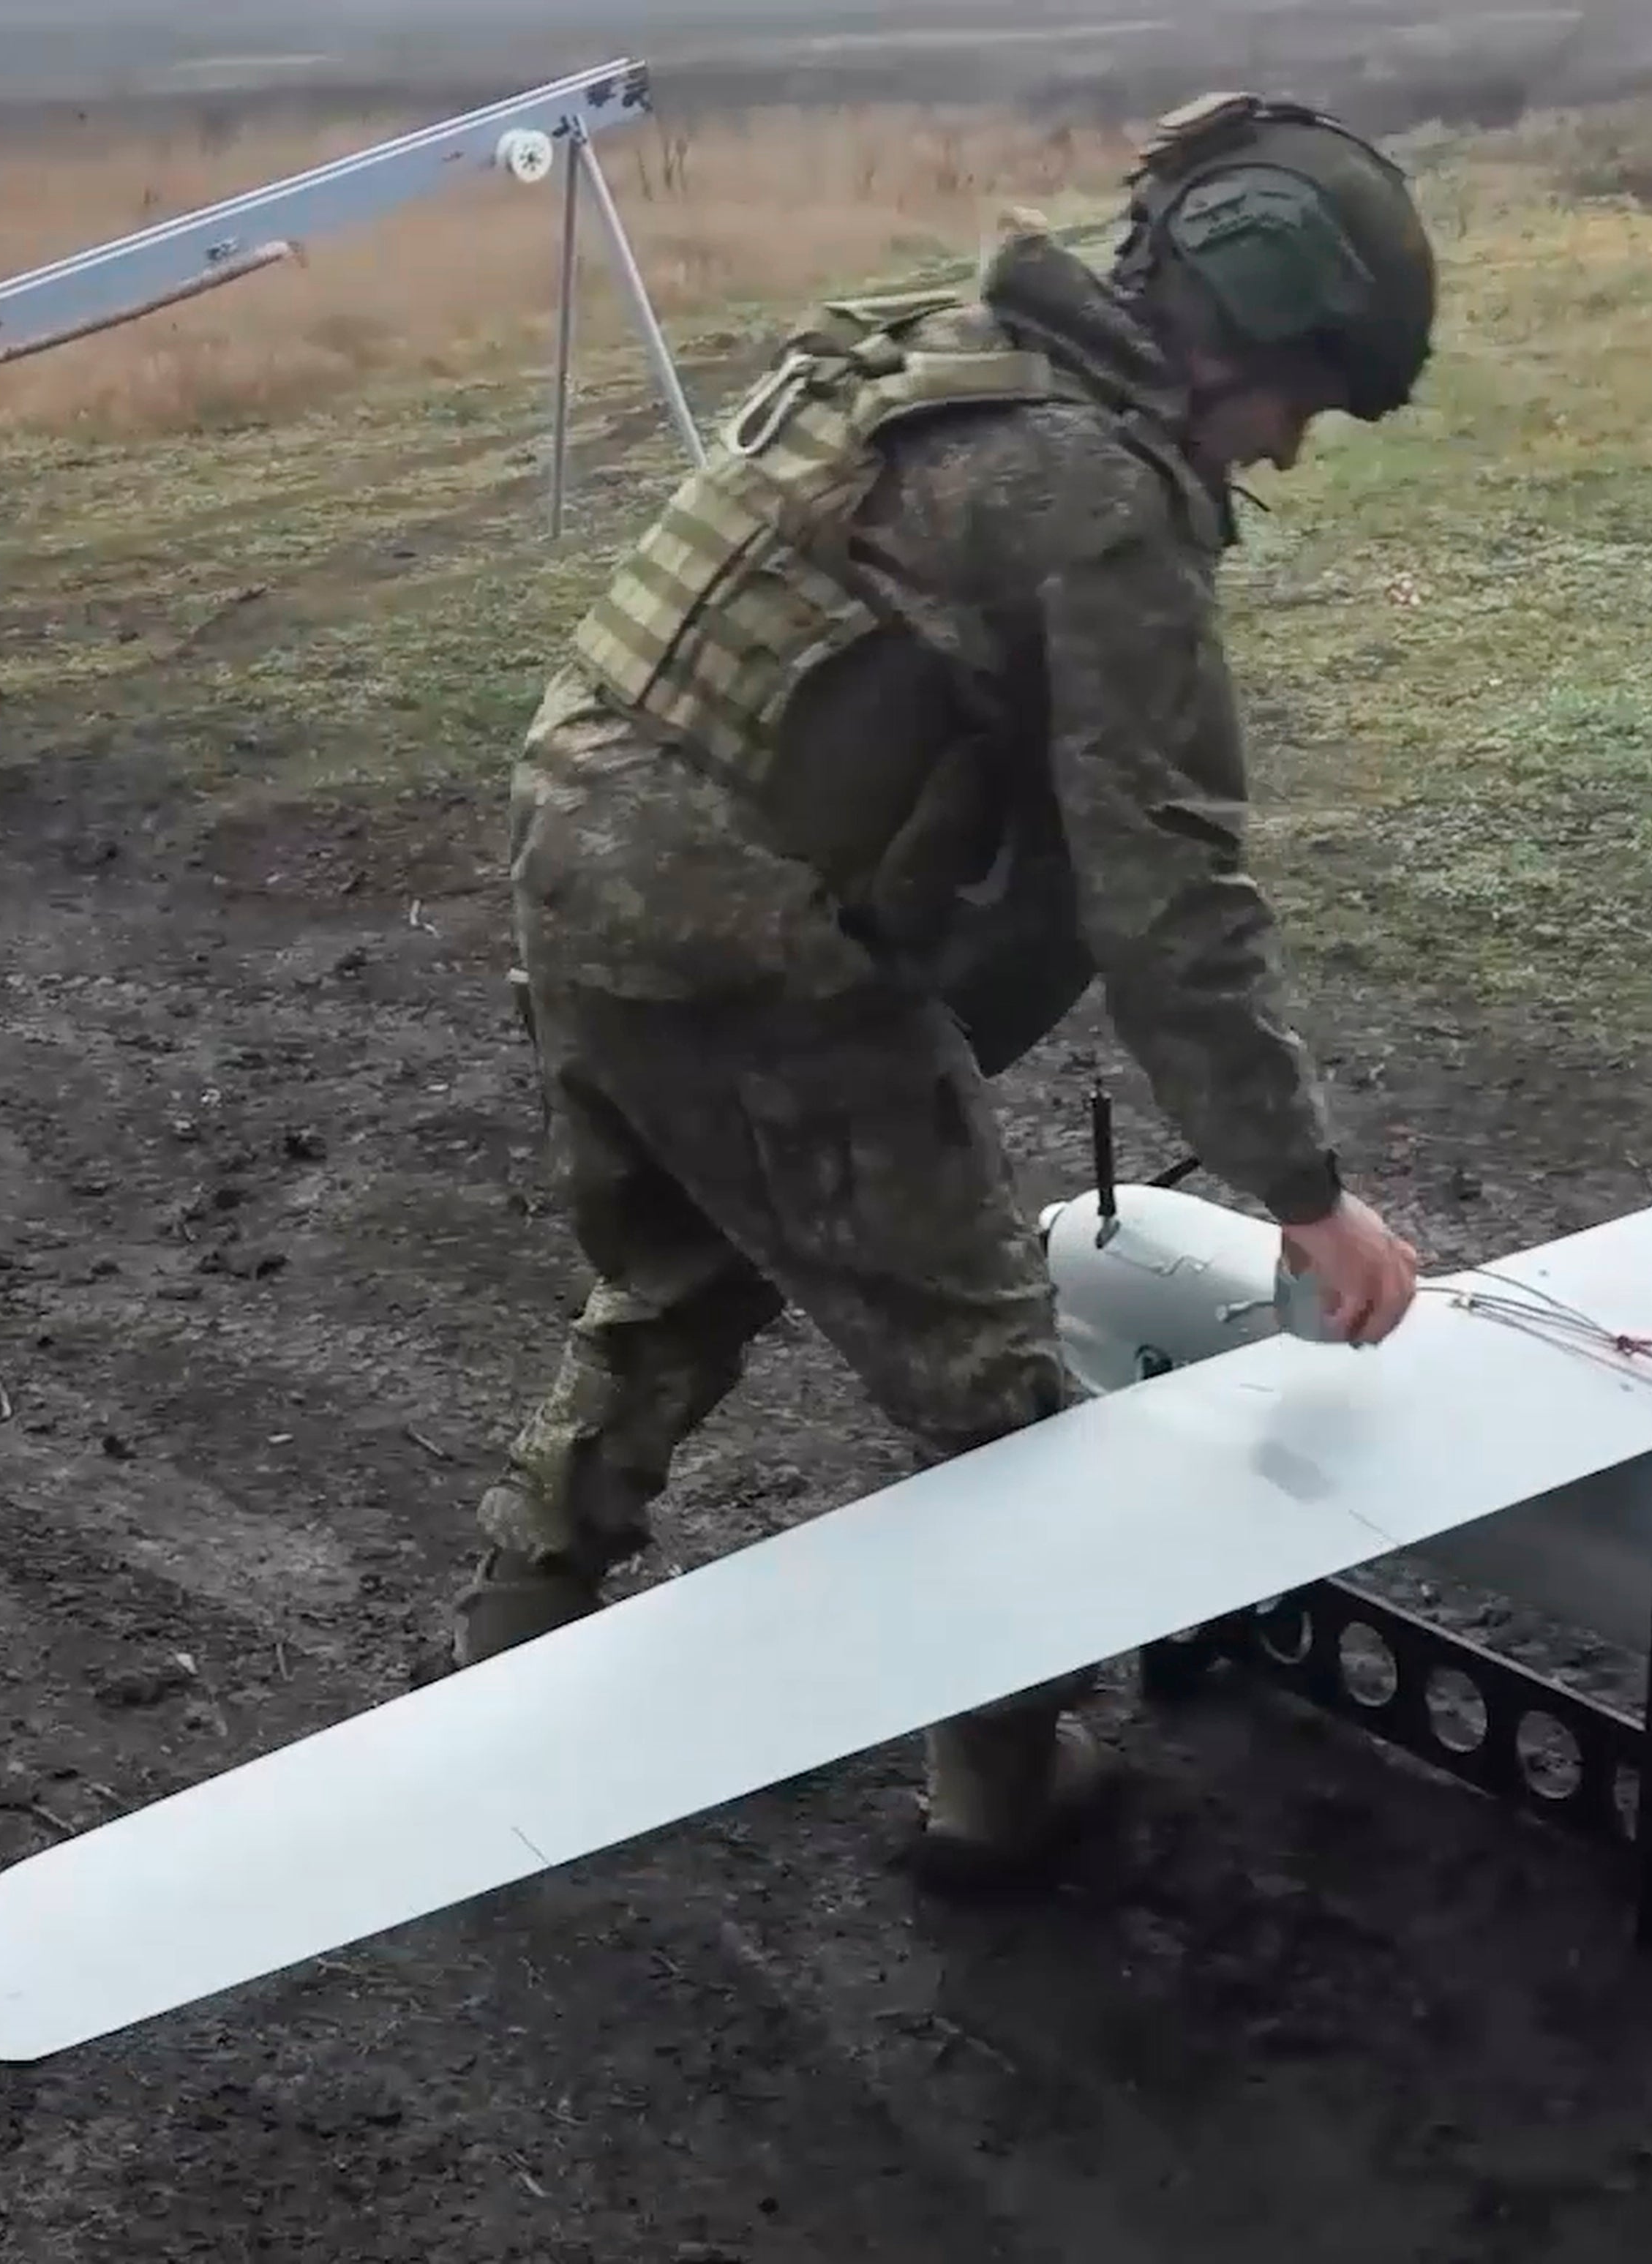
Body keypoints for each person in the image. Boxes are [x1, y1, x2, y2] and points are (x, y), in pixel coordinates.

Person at [446, 94, 1440, 1884]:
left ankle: (508, 1640)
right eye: (1306, 402)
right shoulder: (1098, 498)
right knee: (1001, 1402)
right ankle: (1000, 1789)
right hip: (754, 943)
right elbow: (1166, 894)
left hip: (581, 855)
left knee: (682, 1273)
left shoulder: (934, 350)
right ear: (1248, 342)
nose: (1291, 452)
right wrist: (1307, 1193)